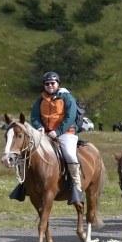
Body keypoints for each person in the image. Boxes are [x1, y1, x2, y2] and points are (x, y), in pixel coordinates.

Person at [29, 71, 83, 204]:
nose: (50, 86)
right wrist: (39, 126)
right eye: (47, 84)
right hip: (45, 133)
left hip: (66, 133)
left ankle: (77, 186)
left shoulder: (67, 97)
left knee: (70, 155)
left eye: (52, 83)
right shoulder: (40, 99)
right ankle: (25, 185)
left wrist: (58, 132)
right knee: (29, 151)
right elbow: (34, 116)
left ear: (58, 83)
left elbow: (70, 117)